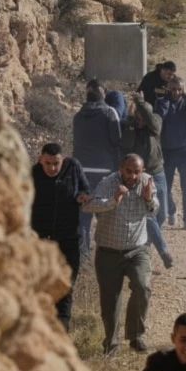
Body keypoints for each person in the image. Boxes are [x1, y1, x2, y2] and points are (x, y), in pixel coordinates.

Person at [82, 154, 158, 354]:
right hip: (109, 251)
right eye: (129, 171)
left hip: (137, 249)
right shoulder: (109, 182)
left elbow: (154, 210)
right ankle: (111, 343)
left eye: (137, 172)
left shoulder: (146, 182)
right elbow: (89, 205)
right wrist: (114, 200)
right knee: (110, 299)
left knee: (143, 288)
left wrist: (149, 197)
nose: (133, 176)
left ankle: (135, 336)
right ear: (121, 169)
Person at [30, 143, 91, 331]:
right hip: (41, 242)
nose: (52, 168)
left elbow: (85, 190)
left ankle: (62, 330)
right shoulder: (33, 175)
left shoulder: (73, 167)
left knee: (66, 286)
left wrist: (82, 196)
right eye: (48, 163)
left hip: (69, 239)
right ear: (41, 159)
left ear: (62, 159)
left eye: (56, 163)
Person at [121, 94, 173, 269]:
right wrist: (129, 119)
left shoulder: (155, 123)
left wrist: (139, 102)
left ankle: (144, 245)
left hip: (158, 174)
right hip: (141, 176)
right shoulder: (130, 127)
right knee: (149, 213)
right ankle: (163, 250)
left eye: (141, 118)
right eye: (137, 118)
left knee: (163, 213)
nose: (139, 122)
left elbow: (150, 119)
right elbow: (127, 144)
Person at [73, 82, 122, 258]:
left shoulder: (78, 116)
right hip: (104, 171)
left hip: (82, 171)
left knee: (83, 216)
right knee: (107, 215)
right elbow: (117, 141)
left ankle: (84, 256)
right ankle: (108, 255)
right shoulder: (110, 112)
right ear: (104, 95)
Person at [155, 77, 186, 230]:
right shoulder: (162, 102)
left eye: (179, 89)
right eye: (173, 89)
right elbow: (159, 116)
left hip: (185, 151)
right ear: (168, 89)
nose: (176, 92)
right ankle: (172, 210)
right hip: (167, 151)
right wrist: (167, 100)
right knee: (165, 187)